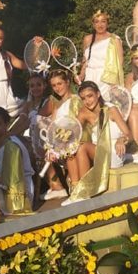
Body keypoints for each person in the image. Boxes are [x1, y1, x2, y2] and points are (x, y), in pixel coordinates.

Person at [63, 81, 131, 205]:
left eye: (90, 96)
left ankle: (84, 192)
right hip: (97, 150)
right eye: (83, 98)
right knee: (71, 148)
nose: (87, 101)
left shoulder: (111, 110)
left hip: (114, 150)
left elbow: (128, 134)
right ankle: (75, 191)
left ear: (98, 94)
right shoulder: (84, 112)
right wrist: (55, 148)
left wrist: (121, 139)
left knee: (82, 147)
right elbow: (72, 133)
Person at [37, 69, 82, 200]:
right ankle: (57, 187)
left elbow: (77, 126)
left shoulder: (76, 100)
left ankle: (75, 190)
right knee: (42, 150)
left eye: (60, 83)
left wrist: (61, 145)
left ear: (67, 82)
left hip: (74, 140)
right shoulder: (57, 105)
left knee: (68, 152)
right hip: (61, 142)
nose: (57, 88)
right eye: (54, 85)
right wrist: (51, 147)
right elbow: (52, 128)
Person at [79, 10, 124, 99]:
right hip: (90, 76)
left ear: (107, 23)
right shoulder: (87, 39)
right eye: (97, 22)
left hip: (106, 79)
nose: (100, 25)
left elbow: (120, 63)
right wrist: (81, 74)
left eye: (103, 21)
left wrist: (113, 82)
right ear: (93, 24)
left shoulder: (114, 39)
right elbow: (85, 60)